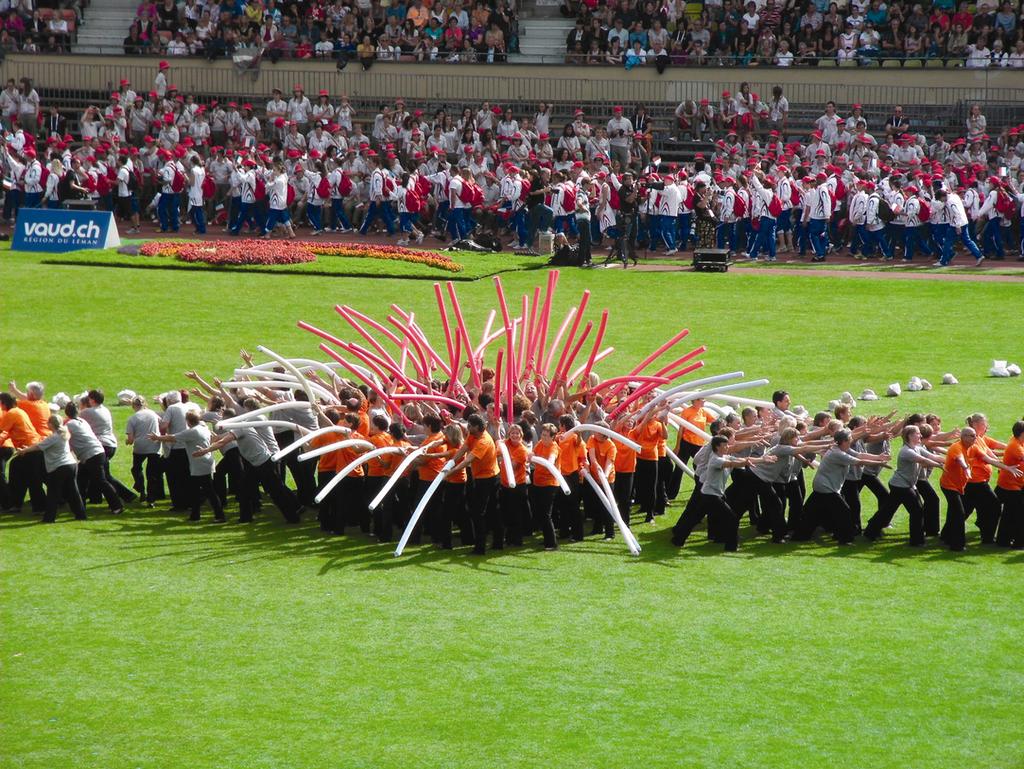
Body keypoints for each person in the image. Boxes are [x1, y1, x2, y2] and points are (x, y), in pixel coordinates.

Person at [792, 429, 889, 544]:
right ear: (843, 441)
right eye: (849, 439)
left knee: (812, 513)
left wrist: (878, 457)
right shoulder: (837, 453)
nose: (851, 441)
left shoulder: (843, 449)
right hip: (826, 488)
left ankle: (800, 536)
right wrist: (879, 463)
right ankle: (845, 539)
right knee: (845, 513)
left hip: (823, 487)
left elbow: (859, 454)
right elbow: (858, 461)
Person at [863, 425, 945, 545]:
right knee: (917, 511)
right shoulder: (907, 451)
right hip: (901, 486)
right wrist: (940, 466)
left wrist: (950, 460)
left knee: (888, 509)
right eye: (917, 433)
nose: (920, 435)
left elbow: (932, 456)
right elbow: (923, 460)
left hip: (903, 485)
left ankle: (870, 531)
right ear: (910, 436)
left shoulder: (917, 447)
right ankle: (917, 541)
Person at [149, 411, 224, 522]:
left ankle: (218, 516)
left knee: (208, 491)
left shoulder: (192, 432)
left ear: (188, 421)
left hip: (199, 465)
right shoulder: (204, 428)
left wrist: (158, 438)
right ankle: (196, 515)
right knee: (196, 490)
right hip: (204, 463)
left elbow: (173, 438)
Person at [13, 415, 85, 523]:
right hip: (71, 465)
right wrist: (27, 449)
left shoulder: (54, 437)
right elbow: (41, 444)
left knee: (53, 493)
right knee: (73, 492)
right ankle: (81, 514)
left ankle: (49, 518)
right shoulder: (64, 433)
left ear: (51, 424)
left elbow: (38, 446)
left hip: (60, 467)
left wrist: (23, 451)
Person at [449, 413, 501, 553]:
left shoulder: (483, 441)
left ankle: (480, 547)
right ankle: (497, 542)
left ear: (477, 427)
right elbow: (463, 450)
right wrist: (450, 463)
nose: (468, 427)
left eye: (470, 425)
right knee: (488, 511)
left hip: (488, 479)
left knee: (479, 512)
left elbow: (468, 460)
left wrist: (450, 471)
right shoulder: (472, 435)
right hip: (481, 477)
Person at [64, 402, 125, 516]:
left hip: (91, 456)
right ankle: (80, 508)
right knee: (81, 480)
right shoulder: (83, 422)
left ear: (66, 413)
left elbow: (64, 440)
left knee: (101, 481)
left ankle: (117, 506)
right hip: (97, 453)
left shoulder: (69, 425)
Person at [0, 392, 44, 514]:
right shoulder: (18, 411)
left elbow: (2, 432)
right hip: (31, 448)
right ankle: (16, 504)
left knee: (33, 479)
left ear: (3, 403)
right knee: (16, 469)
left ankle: (39, 507)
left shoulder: (11, 413)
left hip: (29, 449)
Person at [125, 395, 163, 506]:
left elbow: (131, 440)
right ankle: (151, 500)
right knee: (151, 474)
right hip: (154, 446)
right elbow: (162, 424)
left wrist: (127, 441)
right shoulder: (152, 413)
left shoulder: (133, 418)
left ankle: (141, 490)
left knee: (136, 469)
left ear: (133, 406)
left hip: (140, 447)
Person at [994, 421, 1024, 548]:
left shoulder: (1016, 441)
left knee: (1009, 513)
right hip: (1011, 486)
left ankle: (1004, 540)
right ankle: (1017, 542)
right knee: (1017, 515)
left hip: (1012, 484)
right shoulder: (1015, 447)